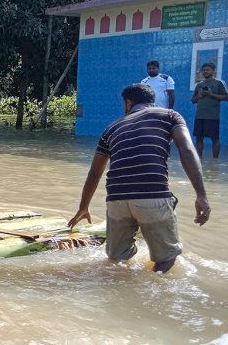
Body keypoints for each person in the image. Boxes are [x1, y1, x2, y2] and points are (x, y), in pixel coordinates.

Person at [68, 84, 210, 273]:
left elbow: (95, 172)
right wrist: (201, 195)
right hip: (151, 194)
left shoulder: (111, 128)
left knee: (116, 260)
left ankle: (118, 295)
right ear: (152, 101)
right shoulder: (170, 116)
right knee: (166, 258)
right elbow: (186, 149)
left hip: (116, 200)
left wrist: (83, 207)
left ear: (128, 103)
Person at [191, 62, 228, 158]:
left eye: (207, 70)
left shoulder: (219, 83)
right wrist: (199, 96)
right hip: (199, 116)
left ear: (213, 71)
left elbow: (226, 97)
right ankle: (199, 160)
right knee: (199, 139)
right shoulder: (199, 85)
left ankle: (215, 161)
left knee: (214, 139)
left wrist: (211, 95)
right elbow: (193, 100)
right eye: (203, 70)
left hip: (213, 116)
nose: (205, 72)